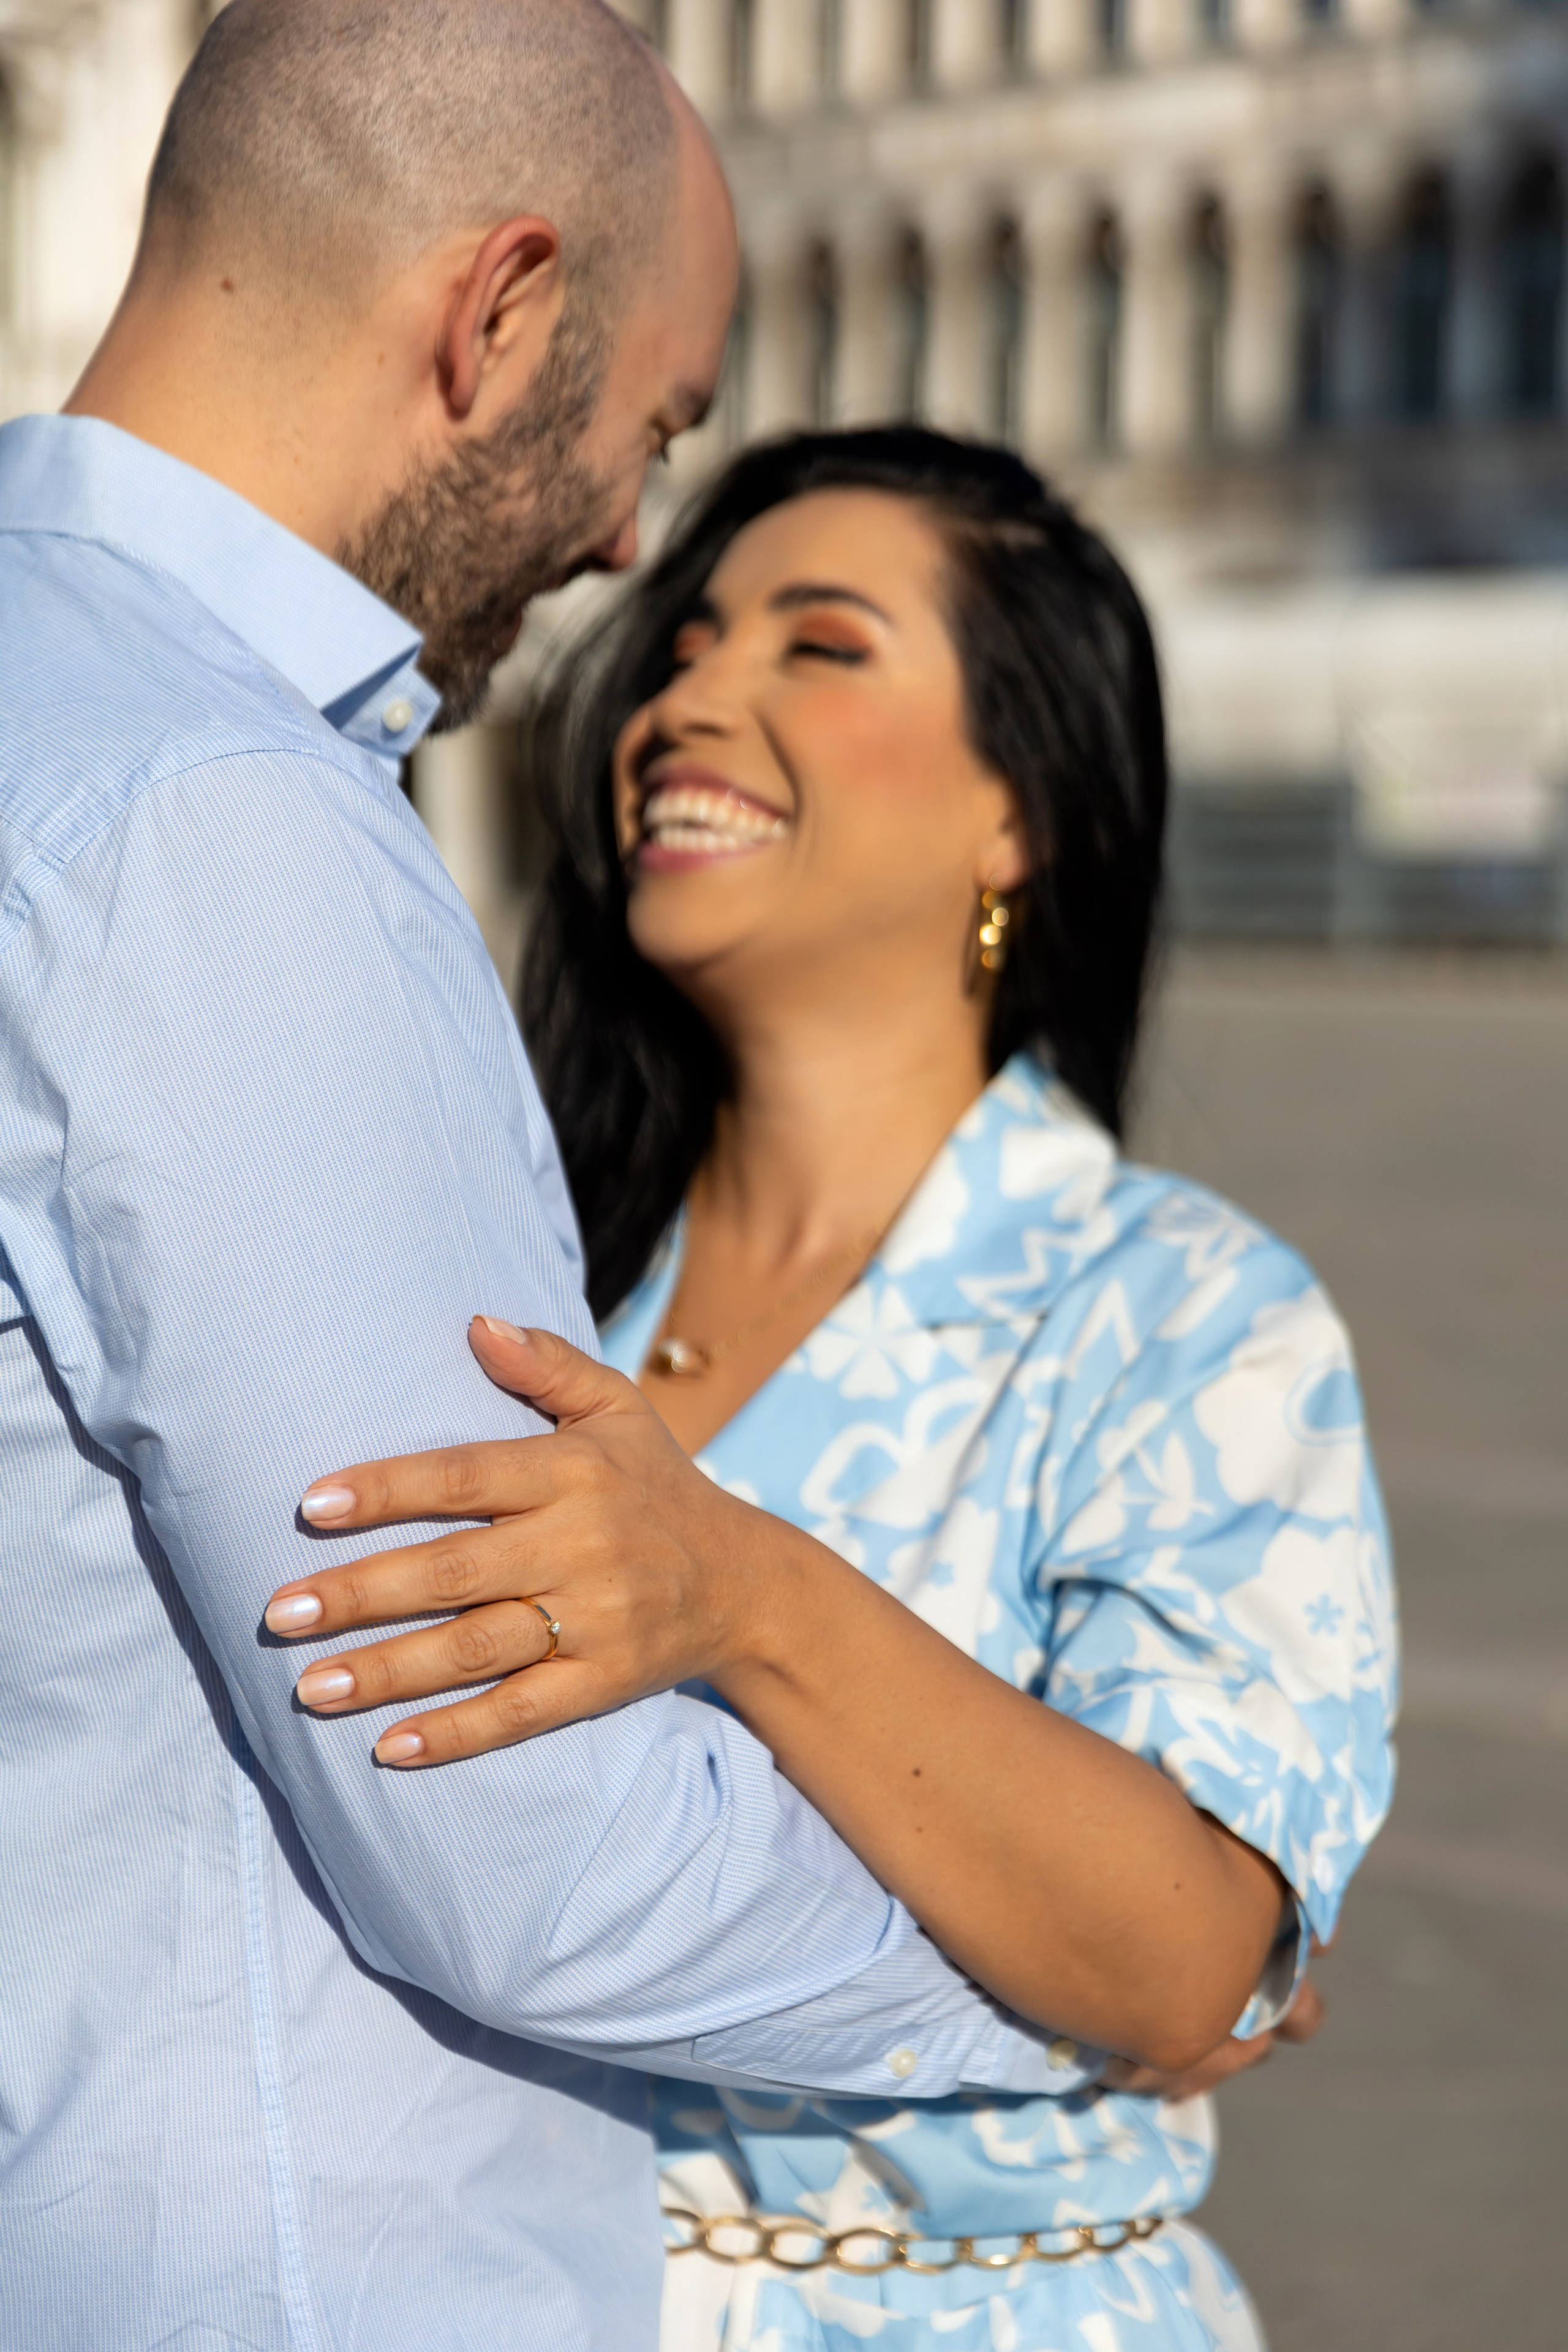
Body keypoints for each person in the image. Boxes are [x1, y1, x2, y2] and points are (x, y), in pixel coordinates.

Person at [0, 19, 1099, 2352]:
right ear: (495, 318)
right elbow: (509, 1823)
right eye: (652, 427)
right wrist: (1099, 1974)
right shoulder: (213, 824)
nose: (624, 535)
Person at [262, 430, 1399, 2352]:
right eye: (690, 640)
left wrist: (750, 1595)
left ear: (1018, 812)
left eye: (823, 645)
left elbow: (1200, 1954)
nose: (691, 694)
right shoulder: (502, 1264)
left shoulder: (1179, 1314)